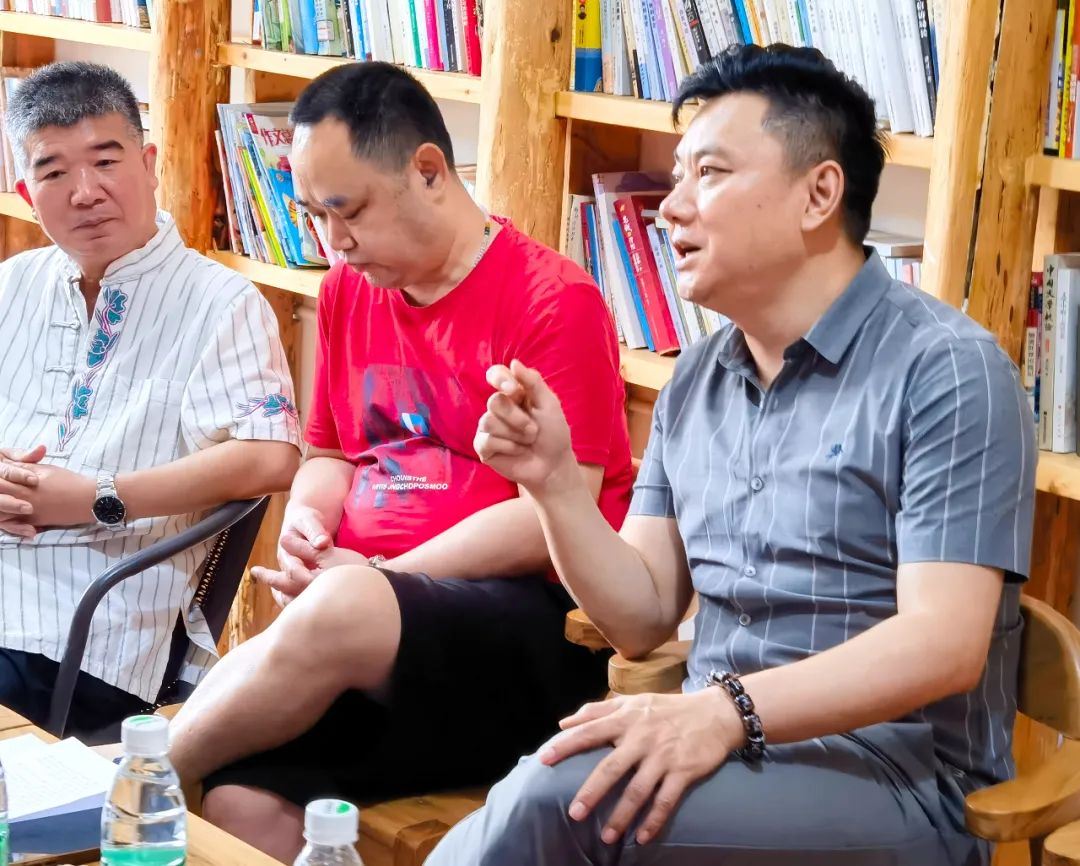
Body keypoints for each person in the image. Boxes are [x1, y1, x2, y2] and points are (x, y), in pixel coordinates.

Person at [427, 43, 1037, 866]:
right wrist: (554, 486)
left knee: (558, 802)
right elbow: (642, 617)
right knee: (545, 787)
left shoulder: (949, 371)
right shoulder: (699, 377)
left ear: (819, 194)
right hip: (720, 749)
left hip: (899, 778)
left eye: (708, 174)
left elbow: (944, 643)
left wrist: (726, 711)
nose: (670, 208)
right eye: (677, 176)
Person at [164, 61, 635, 860]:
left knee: (343, 608)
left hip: (526, 632)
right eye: (315, 215)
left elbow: (555, 512)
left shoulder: (554, 300)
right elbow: (329, 451)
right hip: (365, 629)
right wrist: (309, 523)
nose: (334, 241)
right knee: (243, 802)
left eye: (347, 211)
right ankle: (150, 775)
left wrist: (377, 577)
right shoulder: (349, 290)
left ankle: (133, 779)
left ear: (428, 170)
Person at [0, 62, 301, 743]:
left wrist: (98, 497)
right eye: (54, 172)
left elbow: (271, 457)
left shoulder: (220, 303)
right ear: (26, 192)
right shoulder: (13, 284)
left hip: (85, 626)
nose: (86, 192)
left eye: (106, 161)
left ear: (149, 163)